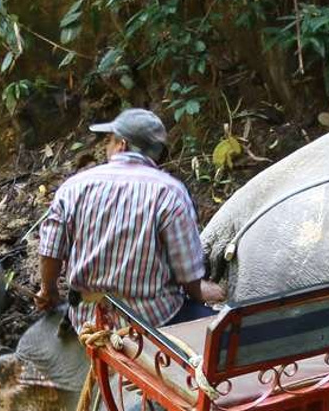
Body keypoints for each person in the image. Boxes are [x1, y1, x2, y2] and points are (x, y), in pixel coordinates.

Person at [35, 107, 223, 332]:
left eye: (109, 141)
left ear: (121, 145)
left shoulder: (73, 187)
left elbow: (50, 252)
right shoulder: (170, 192)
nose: (107, 147)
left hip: (89, 319)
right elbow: (188, 274)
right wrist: (201, 291)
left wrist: (49, 291)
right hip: (154, 319)